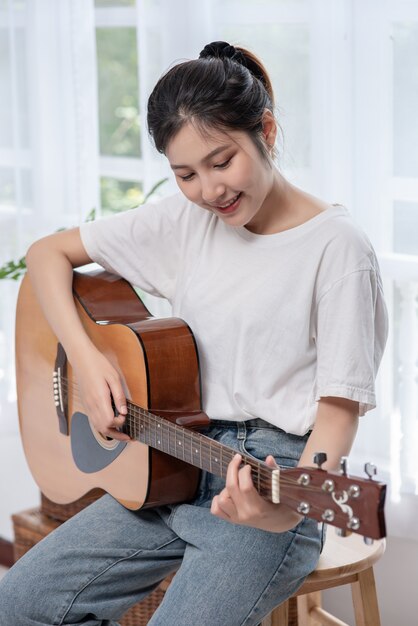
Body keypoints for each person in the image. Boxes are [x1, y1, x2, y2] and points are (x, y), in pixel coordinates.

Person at [0, 41, 388, 626]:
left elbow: (337, 412)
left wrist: (281, 512)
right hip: (169, 461)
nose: (210, 190)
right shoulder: (188, 219)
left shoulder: (338, 249)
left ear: (267, 130)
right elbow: (47, 253)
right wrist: (91, 358)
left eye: (222, 161)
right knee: (20, 603)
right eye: (185, 173)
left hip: (268, 479)